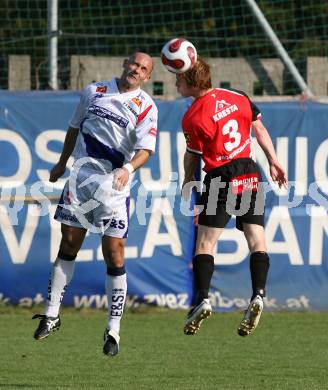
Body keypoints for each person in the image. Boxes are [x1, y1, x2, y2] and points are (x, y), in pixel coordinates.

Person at [32, 52, 158, 356]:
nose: (136, 70)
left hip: (114, 186)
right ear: (124, 63)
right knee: (70, 243)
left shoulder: (146, 107)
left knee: (114, 253)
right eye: (134, 64)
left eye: (143, 68)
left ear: (147, 76)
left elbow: (145, 150)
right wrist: (61, 163)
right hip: (81, 179)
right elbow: (74, 128)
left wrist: (128, 169)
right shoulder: (94, 91)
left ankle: (113, 330)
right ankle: (51, 315)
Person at [177, 59, 287, 336]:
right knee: (257, 238)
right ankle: (259, 294)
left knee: (204, 243)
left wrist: (189, 182)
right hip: (250, 171)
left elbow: (194, 156)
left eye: (179, 79)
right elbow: (259, 129)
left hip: (219, 177)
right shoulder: (238, 96)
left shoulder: (192, 117)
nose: (176, 82)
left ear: (192, 84)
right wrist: (274, 161)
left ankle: (202, 299)